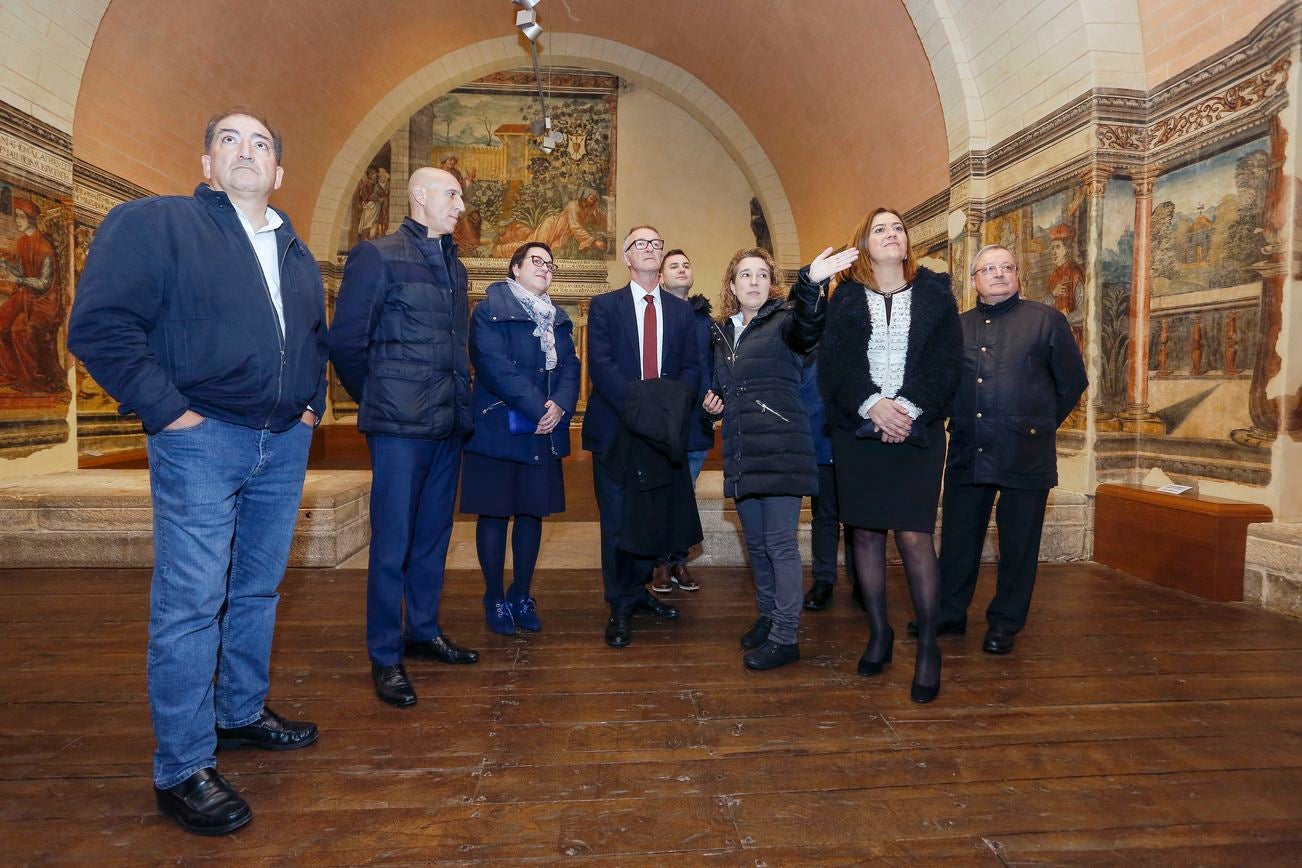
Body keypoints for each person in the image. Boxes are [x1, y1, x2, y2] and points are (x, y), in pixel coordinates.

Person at [67, 109, 328, 835]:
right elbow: (98, 326)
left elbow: (314, 338)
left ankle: (240, 711)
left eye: (262, 143)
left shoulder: (297, 251)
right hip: (201, 439)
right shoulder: (157, 223)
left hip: (283, 441)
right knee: (191, 601)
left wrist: (313, 404)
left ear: (279, 173)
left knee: (257, 588)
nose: (246, 151)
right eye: (229, 139)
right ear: (207, 164)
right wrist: (170, 413)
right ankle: (183, 765)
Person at [329, 166, 479, 710]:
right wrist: (383, 398)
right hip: (399, 428)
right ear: (419, 196)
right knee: (391, 543)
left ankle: (423, 629)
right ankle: (385, 655)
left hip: (447, 423)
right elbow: (347, 341)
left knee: (433, 538)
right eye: (452, 194)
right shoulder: (379, 254)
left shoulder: (455, 266)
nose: (461, 205)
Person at [817, 207, 961, 703]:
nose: (891, 234)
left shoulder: (937, 292)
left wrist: (907, 409)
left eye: (898, 227)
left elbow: (946, 363)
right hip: (857, 428)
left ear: (907, 241)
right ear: (863, 243)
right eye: (879, 228)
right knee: (864, 535)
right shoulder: (846, 297)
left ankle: (928, 648)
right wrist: (873, 405)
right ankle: (879, 632)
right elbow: (834, 365)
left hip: (919, 430)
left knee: (915, 536)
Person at [916, 244, 1087, 655]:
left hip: (1024, 452)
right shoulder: (956, 328)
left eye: (1006, 267)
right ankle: (949, 614)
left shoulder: (1046, 321)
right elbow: (941, 386)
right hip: (967, 450)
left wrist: (1036, 423)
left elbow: (1071, 383)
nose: (998, 274)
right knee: (958, 538)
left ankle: (1005, 623)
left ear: (1017, 276)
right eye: (987, 269)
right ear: (973, 280)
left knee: (1019, 542)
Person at [702, 245, 850, 669]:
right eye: (745, 275)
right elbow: (724, 387)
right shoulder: (723, 333)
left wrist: (812, 283)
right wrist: (713, 403)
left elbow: (809, 326)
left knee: (780, 545)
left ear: (772, 285)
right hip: (743, 448)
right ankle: (769, 617)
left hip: (783, 447)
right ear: (732, 285)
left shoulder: (786, 322)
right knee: (757, 544)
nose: (753, 281)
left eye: (761, 275)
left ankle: (787, 636)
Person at [581, 225, 701, 647]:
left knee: (655, 522)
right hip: (617, 430)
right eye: (640, 244)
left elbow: (690, 368)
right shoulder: (605, 306)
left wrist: (666, 411)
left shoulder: (682, 311)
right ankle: (619, 604)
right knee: (616, 522)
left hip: (663, 435)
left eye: (656, 243)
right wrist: (642, 410)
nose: (649, 248)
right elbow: (603, 367)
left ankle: (640, 592)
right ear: (627, 258)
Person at [461, 241, 579, 634]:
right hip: (498, 428)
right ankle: (494, 596)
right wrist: (539, 408)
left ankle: (521, 594)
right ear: (515, 268)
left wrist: (561, 404)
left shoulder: (559, 320)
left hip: (542, 432)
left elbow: (571, 368)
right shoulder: (489, 311)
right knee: (494, 515)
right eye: (536, 261)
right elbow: (493, 367)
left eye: (550, 263)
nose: (545, 267)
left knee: (532, 514)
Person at [649, 248, 713, 594]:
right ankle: (659, 563)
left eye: (686, 264)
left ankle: (678, 561)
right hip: (662, 421)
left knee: (685, 495)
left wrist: (714, 397)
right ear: (660, 277)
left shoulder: (706, 321)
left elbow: (713, 367)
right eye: (673, 265)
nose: (682, 269)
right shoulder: (652, 315)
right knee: (663, 494)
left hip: (696, 422)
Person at [798, 354, 858, 612]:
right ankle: (823, 579)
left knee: (859, 517)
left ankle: (863, 581)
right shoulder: (808, 342)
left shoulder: (860, 329)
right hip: (818, 438)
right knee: (824, 515)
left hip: (856, 441)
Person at [0, 197, 65, 392]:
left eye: (20, 217)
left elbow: (44, 283)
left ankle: (34, 378)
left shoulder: (44, 247)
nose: (17, 221)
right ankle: (12, 372)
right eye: (16, 217)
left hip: (45, 303)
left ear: (30, 219)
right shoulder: (23, 243)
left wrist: (17, 279)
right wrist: (4, 265)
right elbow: (22, 271)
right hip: (26, 296)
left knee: (21, 330)